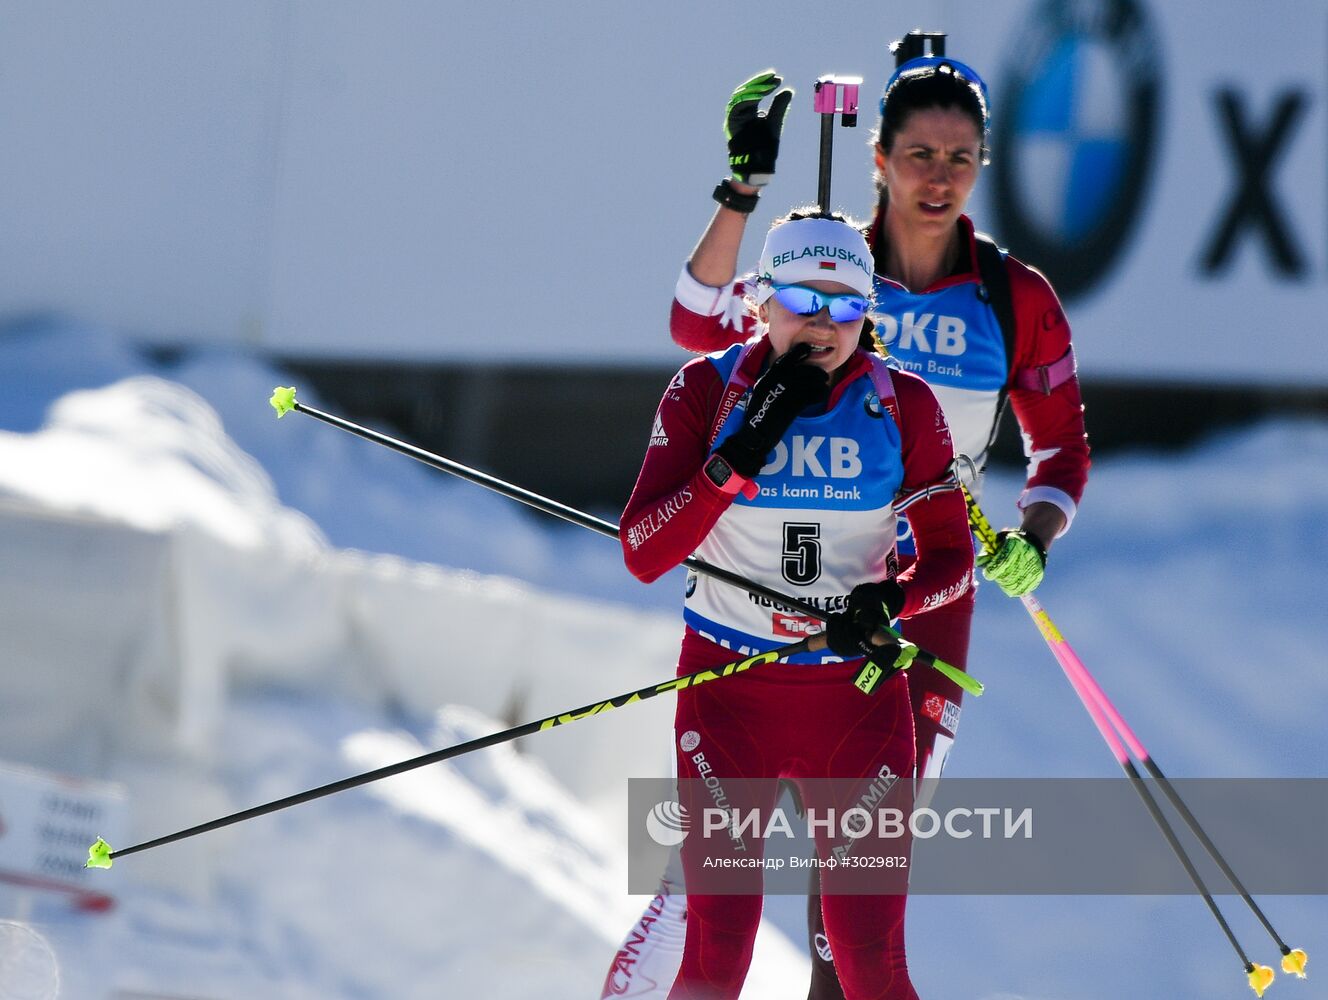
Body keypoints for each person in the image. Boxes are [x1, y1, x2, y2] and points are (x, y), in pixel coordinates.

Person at [605, 35, 1090, 1000]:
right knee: (708, 900)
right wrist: (740, 190)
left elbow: (1060, 450)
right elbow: (696, 326)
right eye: (919, 155)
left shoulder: (1010, 295)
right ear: (878, 156)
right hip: (761, 609)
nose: (939, 178)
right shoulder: (826, 259)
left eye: (960, 159)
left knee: (858, 902)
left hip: (916, 597)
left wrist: (1032, 535)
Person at [614, 211, 973, 999]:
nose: (824, 323)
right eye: (804, 300)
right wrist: (737, 455)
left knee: (869, 960)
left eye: (846, 306)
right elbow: (643, 551)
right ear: (761, 301)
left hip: (855, 704)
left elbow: (954, 556)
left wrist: (891, 601)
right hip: (728, 693)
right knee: (717, 950)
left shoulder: (901, 403)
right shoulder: (705, 391)